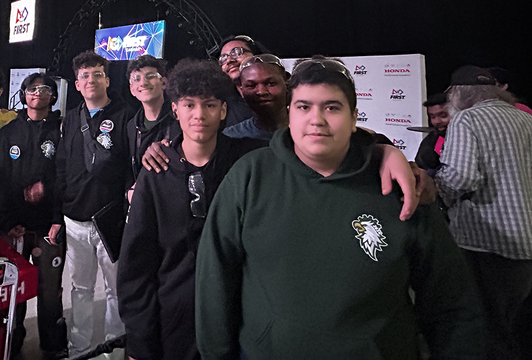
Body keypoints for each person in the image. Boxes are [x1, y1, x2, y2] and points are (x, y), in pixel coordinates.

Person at [195, 56, 486, 360]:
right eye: (304, 107)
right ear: (290, 114)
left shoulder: (400, 186)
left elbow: (451, 300)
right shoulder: (249, 176)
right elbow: (215, 281)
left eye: (332, 107)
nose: (316, 119)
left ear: (354, 116)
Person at [118, 59, 264, 360]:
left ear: (223, 110)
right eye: (189, 105)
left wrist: (381, 147)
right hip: (174, 321)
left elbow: (310, 147)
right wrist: (139, 340)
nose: (199, 115)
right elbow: (137, 265)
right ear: (175, 109)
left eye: (210, 105)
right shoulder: (155, 172)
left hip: (239, 318)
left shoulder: (247, 162)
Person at [435, 65, 532, 360]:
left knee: (487, 328)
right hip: (525, 242)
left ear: (458, 94)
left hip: (485, 243)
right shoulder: (525, 119)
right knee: (513, 325)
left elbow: (461, 178)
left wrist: (437, 193)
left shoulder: (467, 119)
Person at [50, 51, 133, 357]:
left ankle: (114, 351)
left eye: (97, 74)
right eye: (84, 75)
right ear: (76, 83)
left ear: (107, 80)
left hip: (110, 218)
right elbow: (61, 165)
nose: (91, 80)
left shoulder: (126, 114)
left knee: (114, 292)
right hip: (75, 219)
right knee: (81, 290)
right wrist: (59, 213)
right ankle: (79, 349)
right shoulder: (71, 117)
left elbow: (131, 167)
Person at [0, 73, 67, 359]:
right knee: (16, 290)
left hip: (50, 226)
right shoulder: (9, 131)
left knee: (49, 291)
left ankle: (53, 346)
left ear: (53, 96)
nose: (38, 93)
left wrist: (56, 210)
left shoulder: (63, 130)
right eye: (32, 89)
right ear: (23, 94)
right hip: (16, 228)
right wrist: (6, 223)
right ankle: (12, 343)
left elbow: (68, 175)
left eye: (45, 89)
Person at [125, 55, 176, 180]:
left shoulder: (179, 119)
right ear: (132, 89)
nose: (143, 82)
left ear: (164, 83)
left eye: (150, 76)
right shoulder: (131, 126)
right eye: (136, 79)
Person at [223, 53, 288, 142]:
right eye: (251, 86)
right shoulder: (231, 137)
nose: (261, 92)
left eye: (271, 84)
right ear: (242, 91)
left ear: (286, 84)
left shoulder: (308, 126)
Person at [216, 35, 268, 126]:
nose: (229, 60)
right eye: (223, 58)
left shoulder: (280, 93)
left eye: (237, 52)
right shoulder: (223, 105)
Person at [415, 93, 450, 175]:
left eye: (443, 115)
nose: (436, 121)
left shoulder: (465, 139)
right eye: (432, 116)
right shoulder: (430, 140)